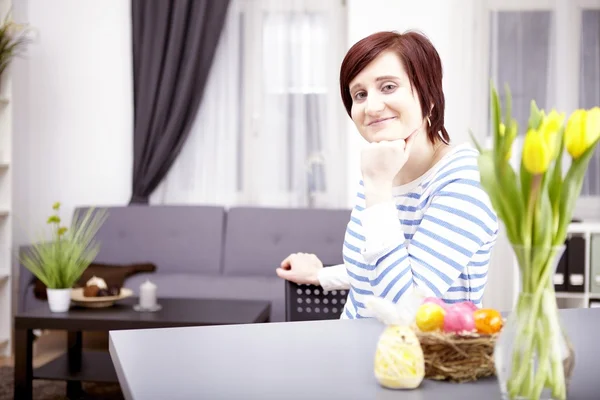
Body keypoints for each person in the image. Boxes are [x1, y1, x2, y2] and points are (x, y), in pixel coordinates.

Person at [276, 30, 499, 319]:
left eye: (389, 86)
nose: (371, 106)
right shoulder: (382, 165)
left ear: (428, 94)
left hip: (424, 359)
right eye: (360, 94)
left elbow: (405, 307)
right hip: (357, 346)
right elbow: (380, 266)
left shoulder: (468, 179)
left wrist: (378, 186)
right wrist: (323, 276)